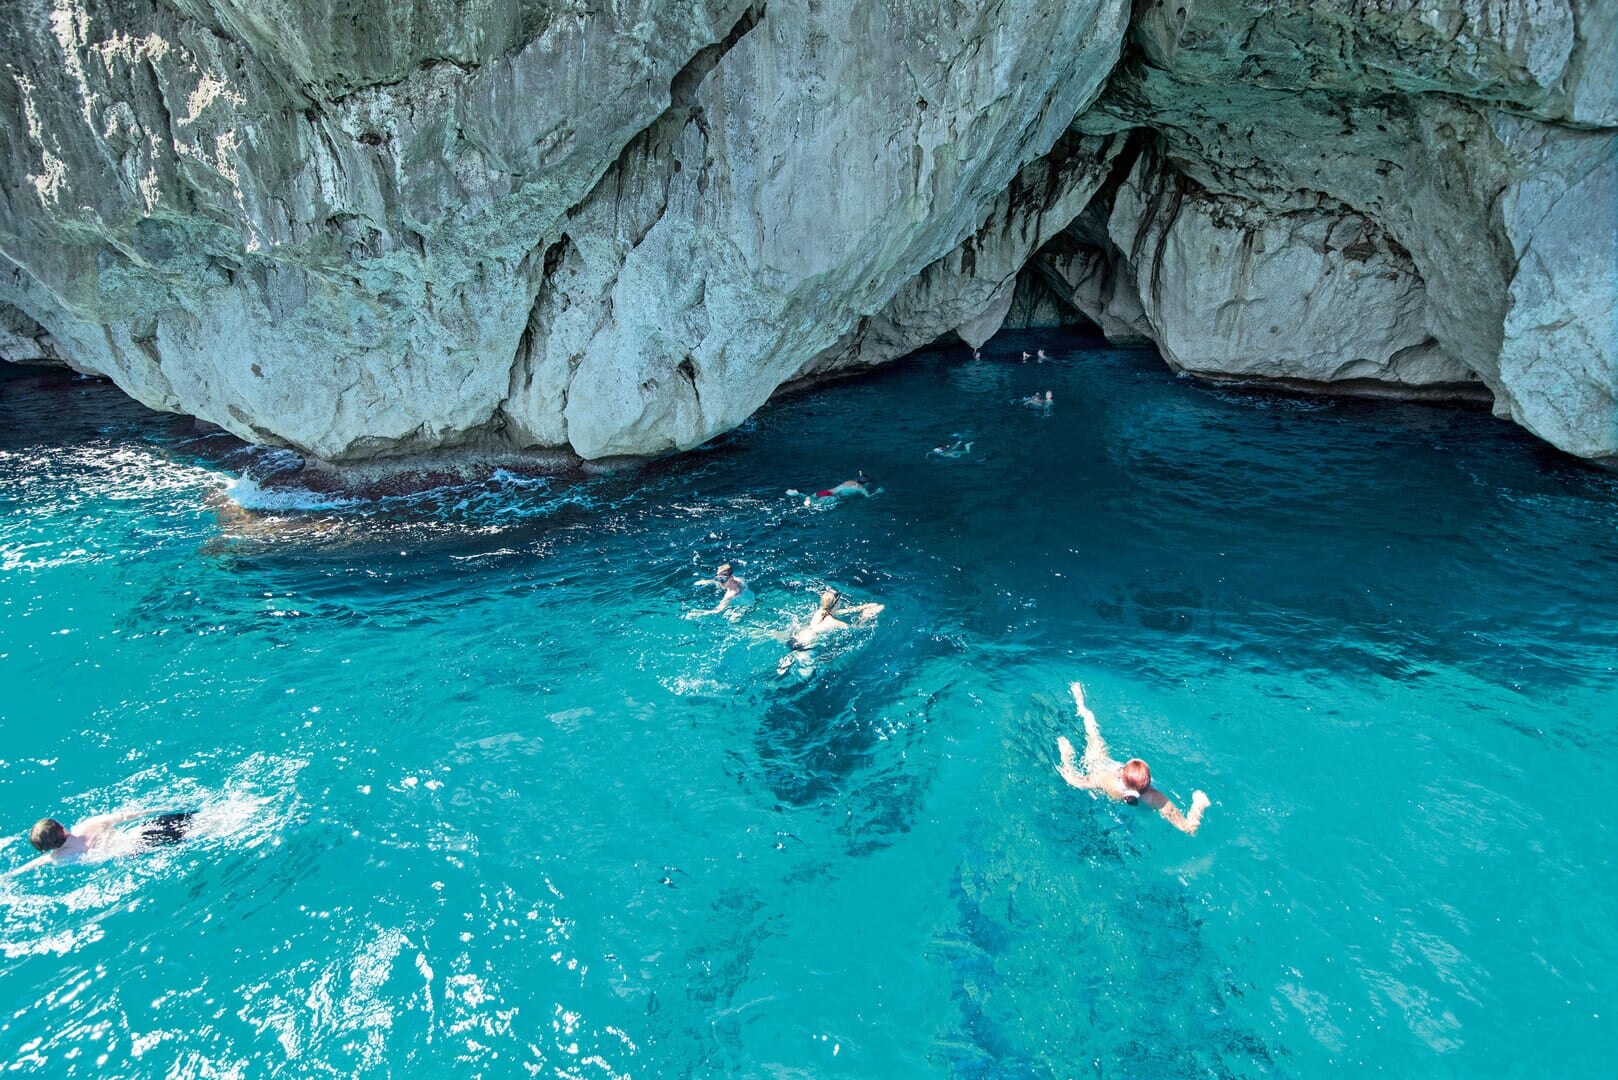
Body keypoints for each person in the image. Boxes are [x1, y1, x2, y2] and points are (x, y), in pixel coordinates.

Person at [1056, 682, 1210, 836]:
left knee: (1094, 734)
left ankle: (1080, 703)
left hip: (1097, 766)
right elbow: (1189, 828)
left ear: (1122, 773)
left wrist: (1066, 756)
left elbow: (1074, 781)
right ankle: (1081, 705)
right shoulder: (1154, 798)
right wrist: (1198, 805)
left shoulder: (1106, 780)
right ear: (1148, 783)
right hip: (1138, 817)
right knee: (1094, 735)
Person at [5, 808, 198, 876]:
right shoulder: (87, 826)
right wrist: (159, 808)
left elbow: (37, 863)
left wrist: (9, 875)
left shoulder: (60, 858)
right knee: (200, 823)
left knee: (198, 835)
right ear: (61, 827)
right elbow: (125, 816)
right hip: (141, 833)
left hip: (135, 851)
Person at [777, 589, 884, 671]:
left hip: (798, 637)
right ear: (836, 603)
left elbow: (838, 612)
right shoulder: (834, 623)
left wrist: (863, 607)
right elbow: (857, 629)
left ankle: (788, 661)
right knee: (821, 662)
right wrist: (865, 616)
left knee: (793, 657)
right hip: (808, 646)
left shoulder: (821, 611)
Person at [790, 471, 875, 507]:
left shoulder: (849, 481)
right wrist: (878, 491)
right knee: (816, 505)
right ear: (866, 483)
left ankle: (799, 494)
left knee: (810, 497)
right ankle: (805, 499)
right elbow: (868, 497)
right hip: (830, 496)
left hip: (824, 491)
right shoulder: (861, 488)